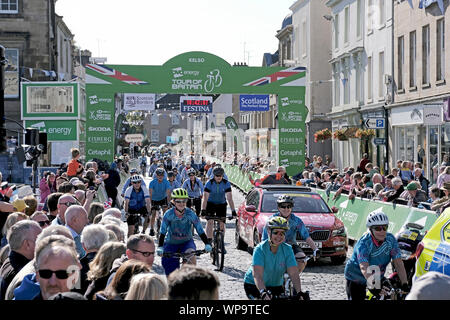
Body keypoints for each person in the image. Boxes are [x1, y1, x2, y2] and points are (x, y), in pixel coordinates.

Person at [344, 210, 409, 300]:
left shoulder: (391, 240)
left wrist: (405, 283)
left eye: (385, 227)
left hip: (377, 274)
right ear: (370, 229)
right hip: (356, 276)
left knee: (389, 295)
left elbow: (398, 263)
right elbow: (364, 267)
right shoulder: (364, 243)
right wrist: (375, 287)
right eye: (378, 228)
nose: (382, 231)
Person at [243, 216, 304, 300]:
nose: (279, 236)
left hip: (275, 285)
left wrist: (299, 292)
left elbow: (293, 273)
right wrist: (263, 293)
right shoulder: (260, 249)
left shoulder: (288, 249)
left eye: (282, 233)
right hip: (254, 285)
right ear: (269, 232)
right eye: (276, 232)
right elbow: (257, 275)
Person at [157, 188, 212, 276]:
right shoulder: (168, 214)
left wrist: (207, 243)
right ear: (173, 202)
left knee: (191, 258)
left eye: (184, 201)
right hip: (171, 243)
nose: (181, 204)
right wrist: (160, 246)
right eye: (178, 201)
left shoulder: (190, 214)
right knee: (170, 275)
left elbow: (200, 230)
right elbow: (163, 231)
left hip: (187, 242)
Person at [261, 195, 319, 274]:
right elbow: (264, 239)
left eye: (289, 206)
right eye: (283, 206)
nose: (286, 209)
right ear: (278, 208)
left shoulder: (296, 220)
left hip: (291, 245)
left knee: (302, 259)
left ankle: (292, 278)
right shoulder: (271, 220)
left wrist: (315, 249)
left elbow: (306, 236)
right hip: (275, 245)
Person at [0, 220, 42, 299]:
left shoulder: (9, 261)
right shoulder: (26, 277)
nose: (45, 242)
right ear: (27, 244)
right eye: (40, 239)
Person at [201, 167, 237, 243]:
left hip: (221, 204)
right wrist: (203, 210)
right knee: (210, 221)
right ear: (214, 176)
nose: (219, 177)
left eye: (220, 176)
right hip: (211, 204)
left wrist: (233, 211)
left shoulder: (226, 183)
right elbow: (205, 199)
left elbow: (230, 198)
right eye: (217, 176)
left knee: (222, 223)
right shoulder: (209, 183)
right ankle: (209, 240)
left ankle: (221, 241)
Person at [79, 224, 110, 294]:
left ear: (83, 245)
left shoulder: (74, 267)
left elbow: (71, 294)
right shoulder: (112, 265)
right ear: (106, 244)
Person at [148, 168, 171, 236]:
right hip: (154, 199)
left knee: (165, 213)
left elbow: (168, 193)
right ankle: (152, 229)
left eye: (162, 175)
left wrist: (168, 202)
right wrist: (150, 204)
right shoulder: (152, 182)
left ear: (164, 175)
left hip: (163, 198)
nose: (160, 176)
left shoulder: (166, 182)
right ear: (156, 175)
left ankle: (166, 227)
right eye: (158, 175)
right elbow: (150, 194)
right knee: (153, 214)